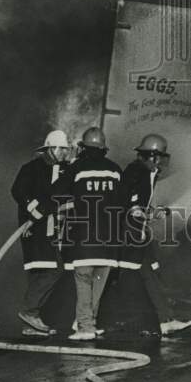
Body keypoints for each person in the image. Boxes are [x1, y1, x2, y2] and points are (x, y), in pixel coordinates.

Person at [119, 133, 191, 337]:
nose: (160, 162)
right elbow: (127, 200)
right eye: (158, 157)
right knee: (121, 275)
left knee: (151, 273)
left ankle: (165, 320)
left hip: (139, 232)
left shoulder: (147, 174)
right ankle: (88, 320)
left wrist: (152, 211)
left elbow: (139, 204)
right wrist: (138, 210)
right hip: (129, 233)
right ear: (151, 156)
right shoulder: (136, 171)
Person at [57, 126, 122, 341]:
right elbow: (122, 203)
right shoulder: (114, 170)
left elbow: (58, 192)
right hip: (110, 240)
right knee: (98, 283)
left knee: (83, 280)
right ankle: (88, 322)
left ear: (83, 147)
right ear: (104, 148)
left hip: (84, 238)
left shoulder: (77, 168)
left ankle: (85, 327)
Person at [10, 129, 71, 335]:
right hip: (35, 229)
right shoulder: (31, 169)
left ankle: (30, 323)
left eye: (66, 149)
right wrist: (33, 212)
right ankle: (30, 312)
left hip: (55, 229)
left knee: (45, 270)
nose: (64, 153)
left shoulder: (65, 170)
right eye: (61, 149)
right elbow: (18, 191)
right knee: (51, 269)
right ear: (50, 148)